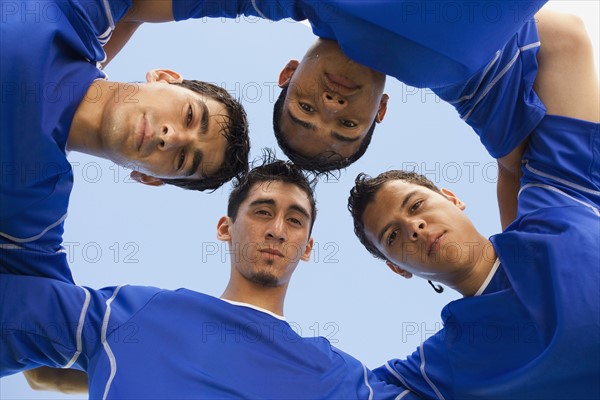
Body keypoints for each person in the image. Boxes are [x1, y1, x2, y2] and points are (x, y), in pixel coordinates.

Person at [1, 160, 417, 399]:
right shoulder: (135, 315)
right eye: (261, 211)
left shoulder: (338, 376)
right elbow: (22, 319)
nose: (277, 230)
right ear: (225, 227)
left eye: (295, 220)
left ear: (307, 247)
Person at [346, 11, 600, 399]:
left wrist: (507, 148)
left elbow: (565, 37)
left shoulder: (554, 196)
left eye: (415, 206)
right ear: (398, 268)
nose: (414, 228)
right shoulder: (436, 370)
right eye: (393, 235)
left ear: (453, 198)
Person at [103, 0, 546, 185]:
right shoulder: (459, 75)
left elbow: (131, 6)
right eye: (347, 125)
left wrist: (62, 91)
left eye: (305, 107)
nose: (332, 106)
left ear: (289, 73)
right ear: (381, 111)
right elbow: (524, 169)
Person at [0, 0, 250, 286]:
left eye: (182, 159)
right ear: (164, 78)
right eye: (190, 115)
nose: (171, 138)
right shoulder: (75, 15)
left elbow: (48, 319)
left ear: (148, 178)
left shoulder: (31, 219)